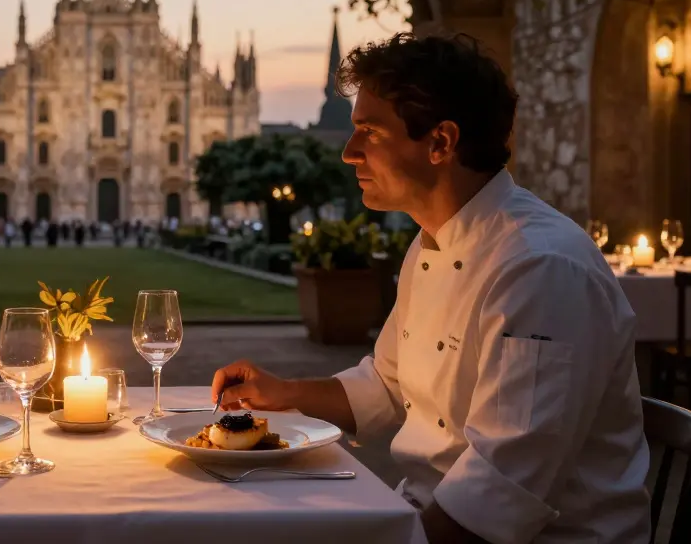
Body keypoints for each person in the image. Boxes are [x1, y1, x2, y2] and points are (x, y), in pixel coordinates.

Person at [211, 33, 649, 544]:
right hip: (423, 513)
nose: (349, 153)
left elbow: (498, 495)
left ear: (441, 142)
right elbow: (386, 387)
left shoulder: (540, 268)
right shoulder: (431, 242)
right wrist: (282, 392)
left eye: (369, 132)